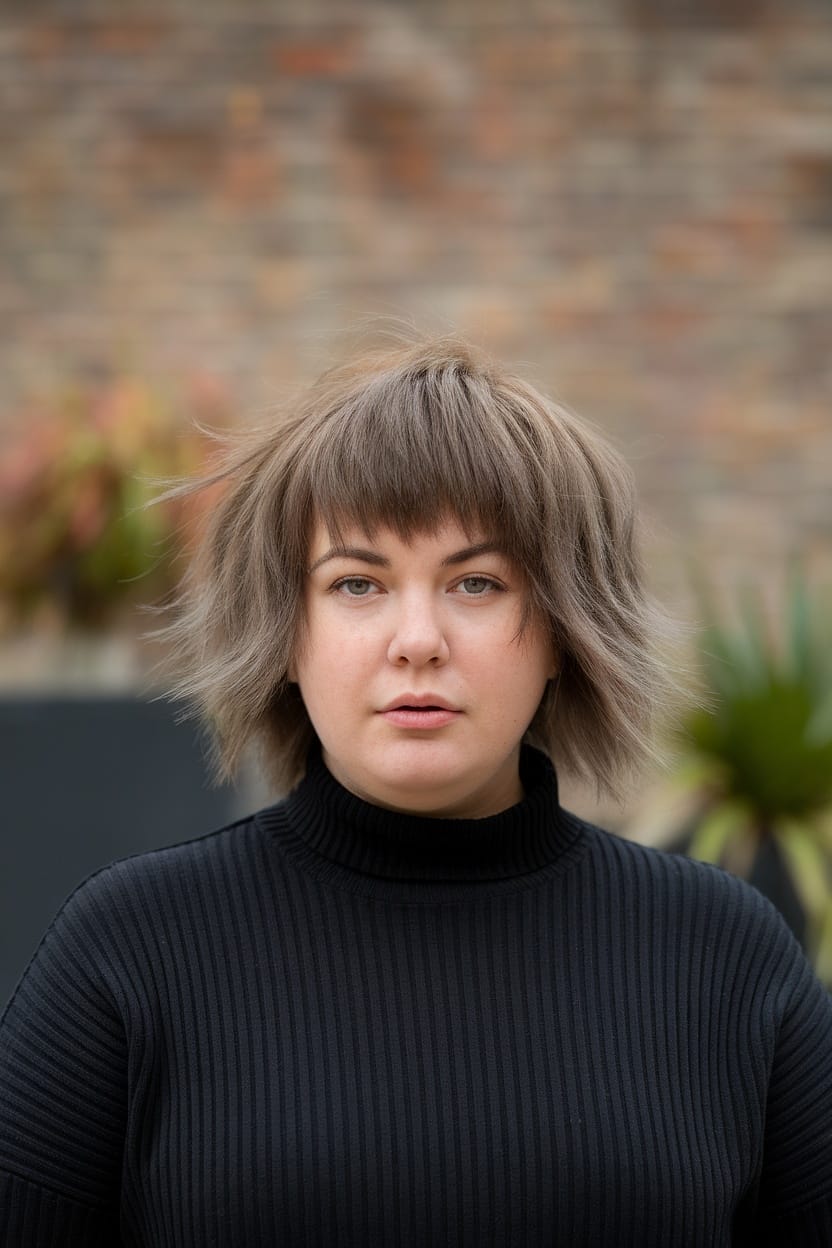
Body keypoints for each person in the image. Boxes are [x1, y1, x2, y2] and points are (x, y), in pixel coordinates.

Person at [1, 334, 830, 1246]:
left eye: (477, 582)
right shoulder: (128, 955)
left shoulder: (724, 960)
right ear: (287, 631)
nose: (418, 639)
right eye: (358, 583)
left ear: (563, 629)